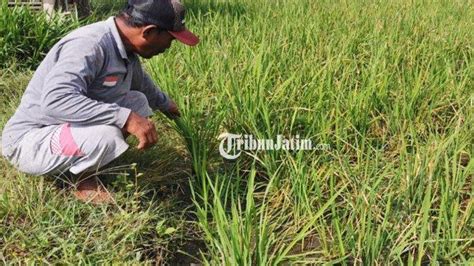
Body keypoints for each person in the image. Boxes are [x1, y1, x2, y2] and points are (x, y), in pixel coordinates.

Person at [0, 0, 199, 204]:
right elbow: (56, 100)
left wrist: (166, 104)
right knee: (108, 136)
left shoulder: (124, 47)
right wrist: (125, 118)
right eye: (170, 39)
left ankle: (87, 161)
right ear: (148, 32)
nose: (168, 46)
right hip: (30, 141)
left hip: (62, 127)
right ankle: (83, 179)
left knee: (137, 101)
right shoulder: (90, 45)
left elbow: (141, 84)